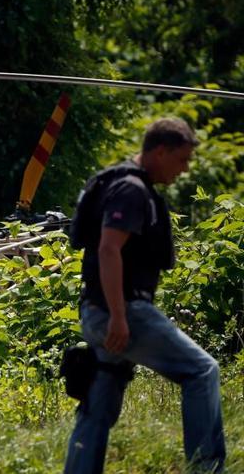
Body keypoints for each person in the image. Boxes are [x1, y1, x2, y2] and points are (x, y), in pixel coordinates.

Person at [64, 117, 225, 473]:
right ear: (161, 151)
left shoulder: (121, 181)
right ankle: (207, 468)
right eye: (182, 160)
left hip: (96, 310)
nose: (184, 170)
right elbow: (109, 249)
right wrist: (120, 316)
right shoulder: (132, 189)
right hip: (121, 312)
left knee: (100, 395)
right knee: (202, 372)